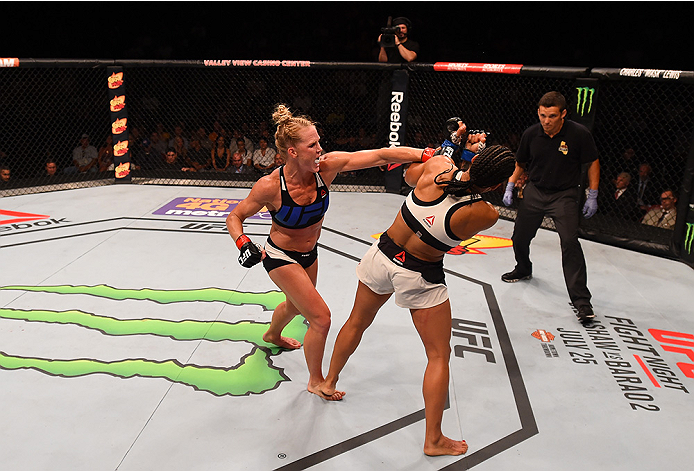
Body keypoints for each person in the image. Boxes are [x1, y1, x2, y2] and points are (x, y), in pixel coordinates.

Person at [317, 126, 514, 458]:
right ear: (496, 184)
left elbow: (410, 177)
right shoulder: (486, 213)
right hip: (419, 274)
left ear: (475, 158)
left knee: (355, 322)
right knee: (438, 355)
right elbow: (457, 217)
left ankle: (328, 382)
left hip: (381, 254)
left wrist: (445, 152)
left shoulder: (438, 168)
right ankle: (433, 439)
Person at [225, 104, 427, 399]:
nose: (320, 149)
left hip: (310, 253)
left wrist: (423, 155)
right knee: (320, 318)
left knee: (295, 306)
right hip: (280, 256)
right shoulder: (269, 186)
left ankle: (271, 335)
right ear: (292, 151)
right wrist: (242, 242)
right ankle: (316, 380)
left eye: (319, 142)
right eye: (313, 145)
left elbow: (381, 155)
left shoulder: (326, 168)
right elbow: (234, 217)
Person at [501, 91, 600, 326]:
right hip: (535, 190)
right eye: (543, 115)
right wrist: (511, 184)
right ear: (538, 112)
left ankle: (582, 302)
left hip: (564, 194)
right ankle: (523, 268)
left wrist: (592, 193)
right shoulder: (531, 134)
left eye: (552, 116)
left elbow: (592, 161)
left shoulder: (578, 134)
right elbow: (521, 162)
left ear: (563, 114)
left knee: (569, 242)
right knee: (519, 237)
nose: (546, 121)